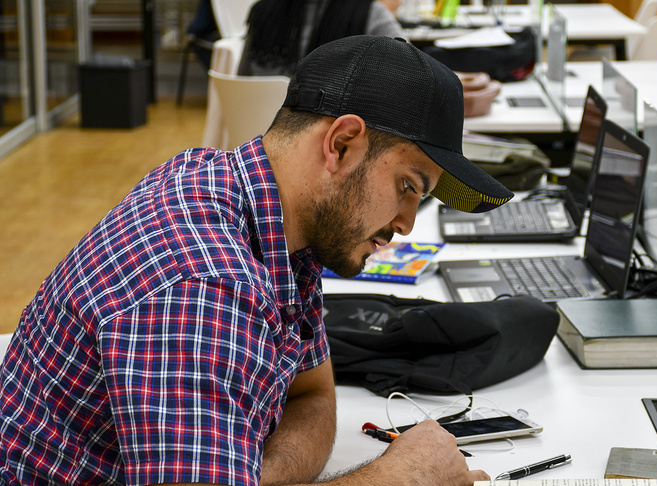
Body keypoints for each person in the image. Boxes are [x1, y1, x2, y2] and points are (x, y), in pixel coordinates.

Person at [0, 36, 513, 485]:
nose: (407, 223)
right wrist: (396, 480)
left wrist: (235, 473)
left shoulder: (270, 215)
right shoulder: (203, 285)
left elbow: (313, 396)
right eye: (407, 186)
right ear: (341, 143)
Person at [238, 0, 404, 76]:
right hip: (330, 136)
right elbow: (409, 70)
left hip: (258, 133)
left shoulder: (263, 11)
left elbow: (241, 79)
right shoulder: (368, 12)